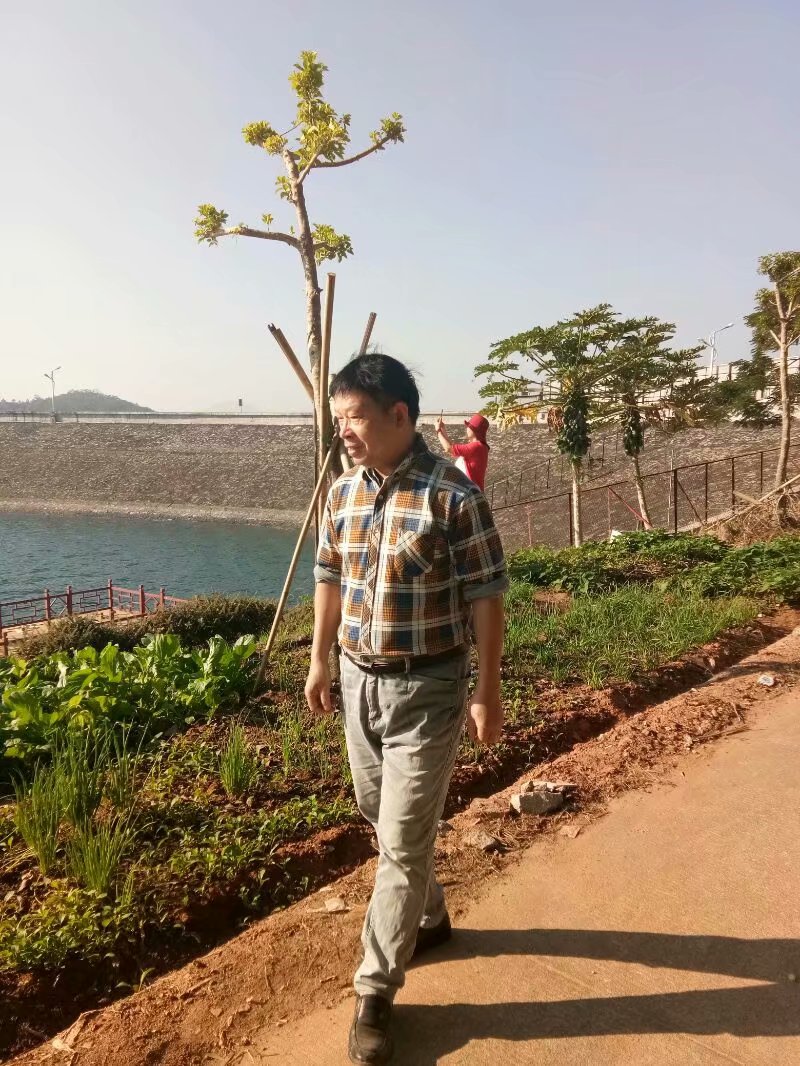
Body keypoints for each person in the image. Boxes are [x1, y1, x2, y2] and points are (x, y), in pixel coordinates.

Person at [305, 354, 507, 1065]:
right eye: (339, 419)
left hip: (429, 688)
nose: (344, 432)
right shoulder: (341, 492)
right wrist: (319, 657)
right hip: (358, 681)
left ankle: (374, 992)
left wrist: (487, 691)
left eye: (355, 417)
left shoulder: (454, 496)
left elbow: (487, 595)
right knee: (376, 810)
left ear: (399, 415)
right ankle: (431, 915)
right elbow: (329, 575)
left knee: (399, 841)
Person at [435, 412, 491, 491]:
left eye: (469, 427)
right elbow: (451, 447)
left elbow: (448, 448)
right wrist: (442, 429)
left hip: (470, 492)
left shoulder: (476, 446)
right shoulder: (480, 447)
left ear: (475, 430)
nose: (467, 429)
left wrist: (438, 431)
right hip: (470, 492)